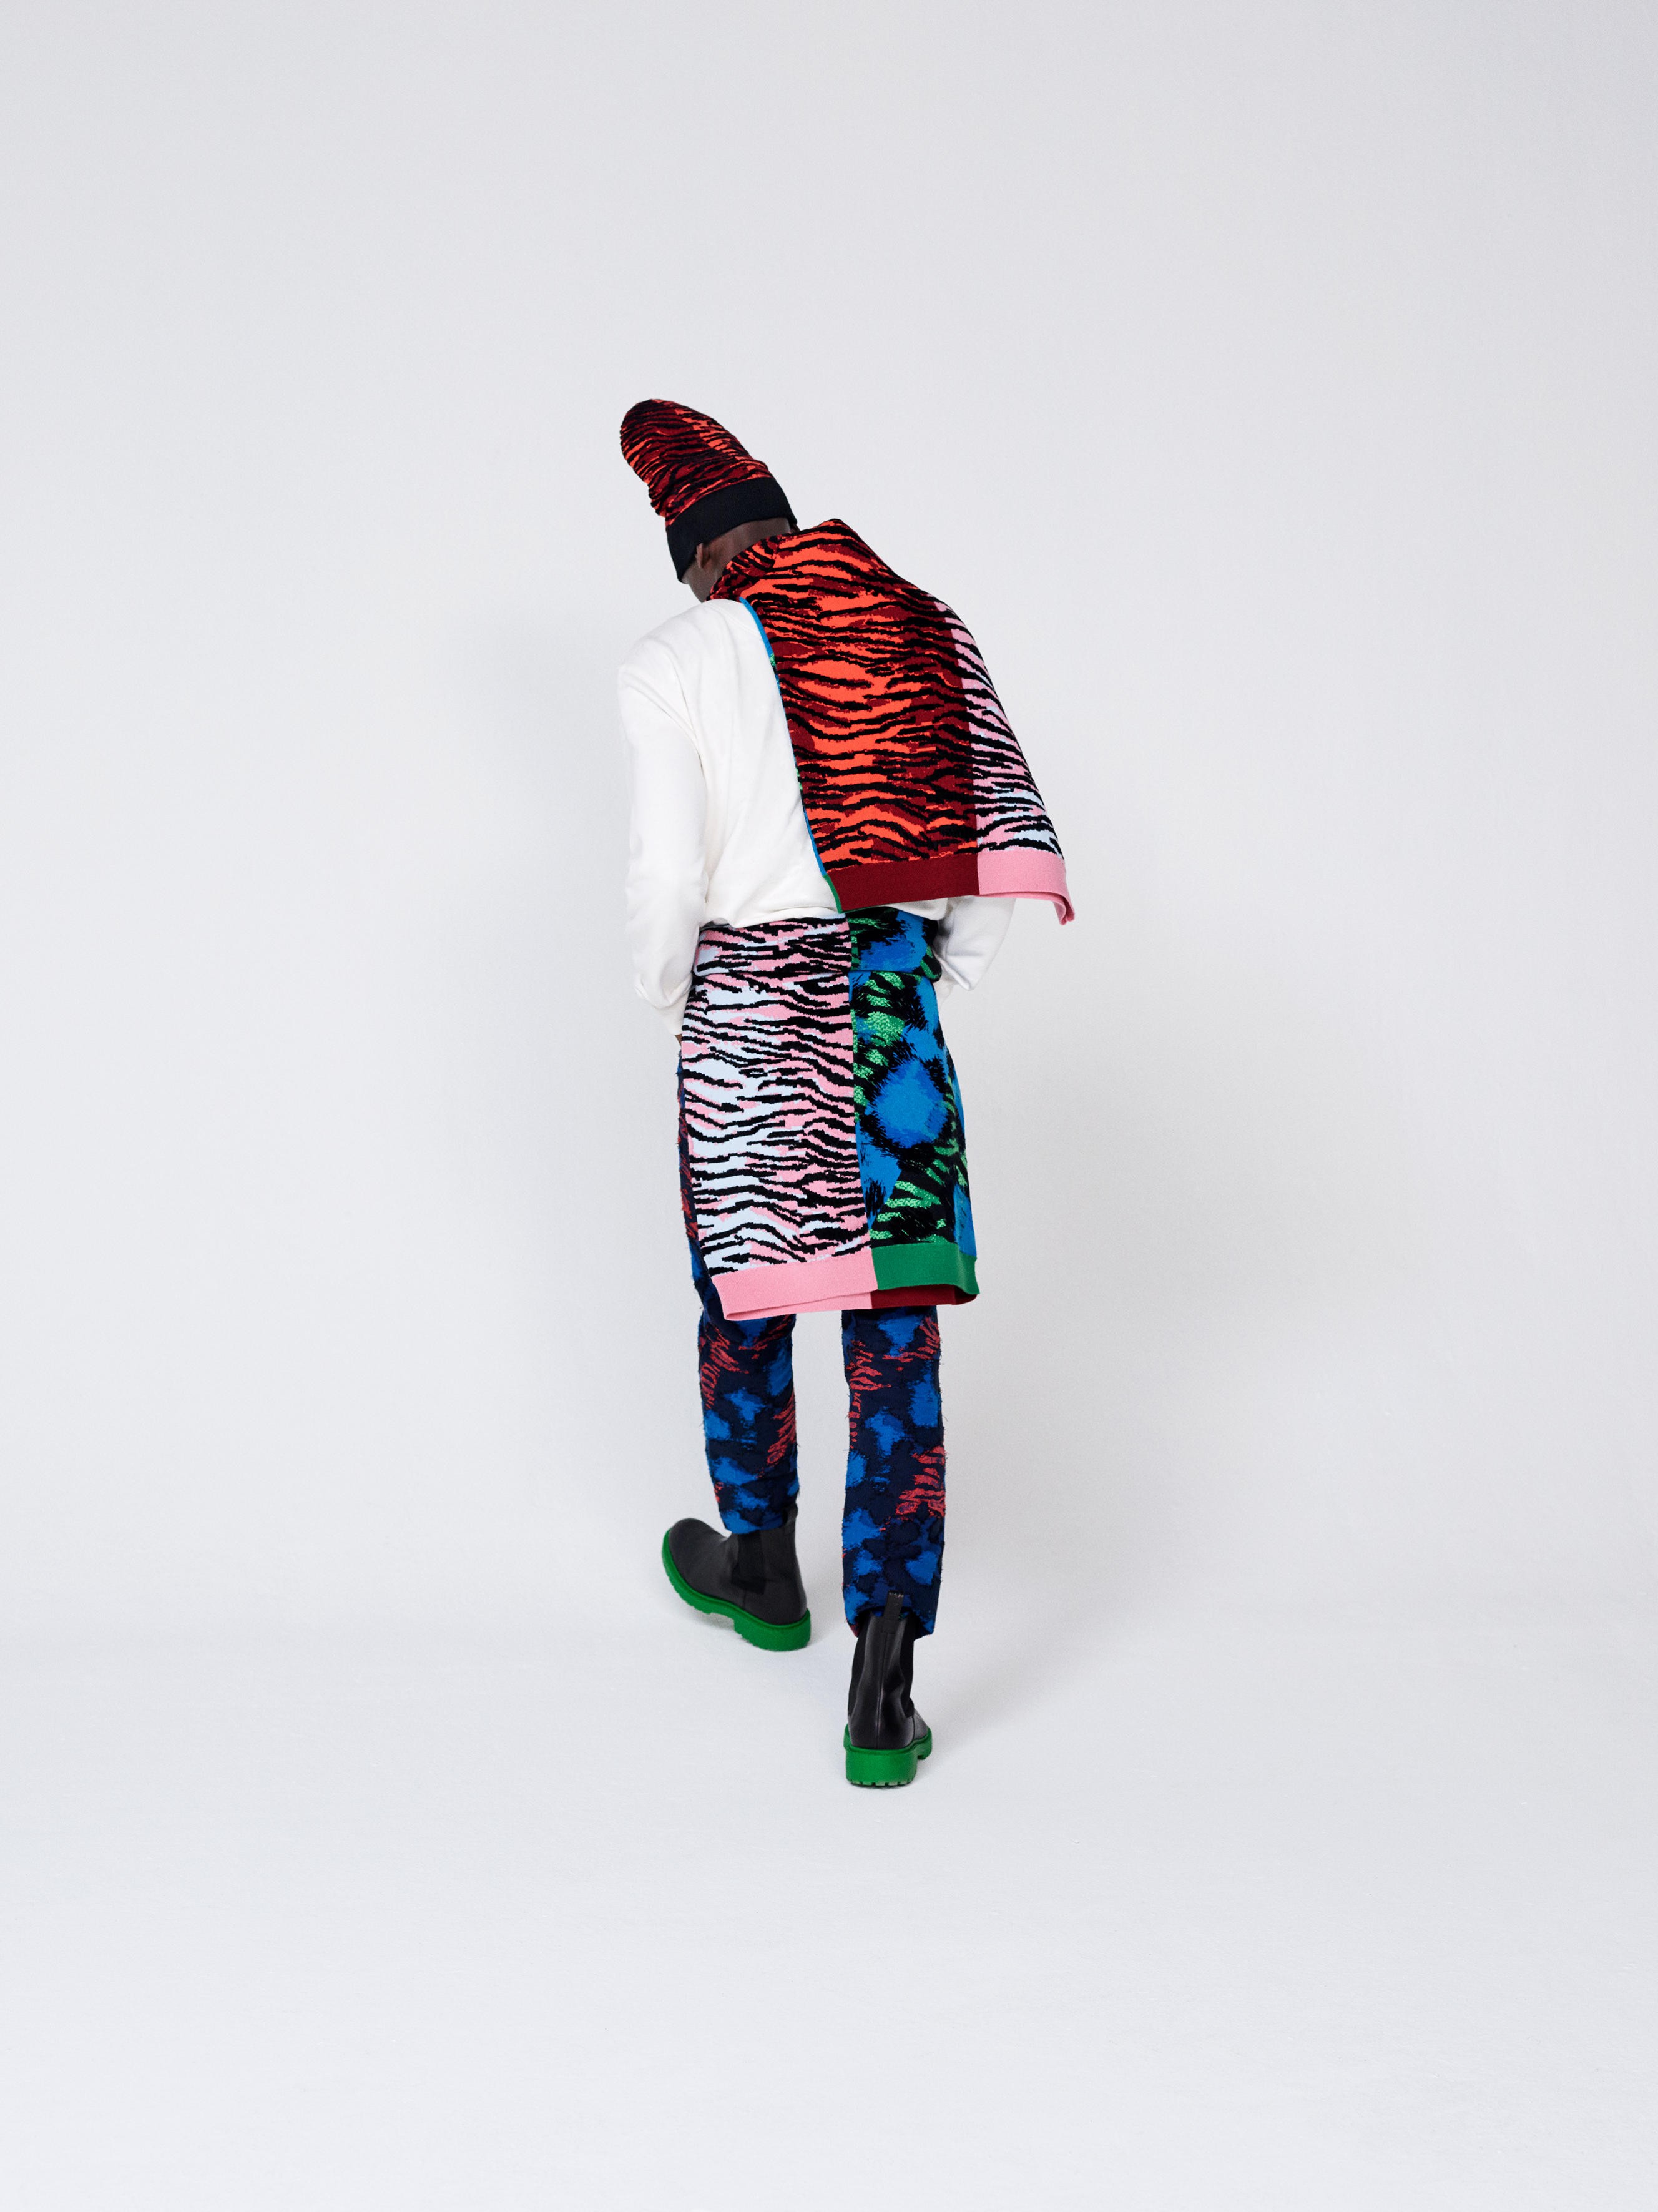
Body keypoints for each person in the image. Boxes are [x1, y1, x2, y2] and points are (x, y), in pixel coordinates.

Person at [617, 400, 1071, 1787]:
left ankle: (761, 1564)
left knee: (742, 1295)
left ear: (699, 556)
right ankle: (884, 1684)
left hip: (749, 1003)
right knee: (895, 1332)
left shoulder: (678, 654)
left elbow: (667, 877)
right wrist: (927, 976)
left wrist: (674, 996)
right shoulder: (919, 620)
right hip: (883, 1001)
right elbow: (989, 836)